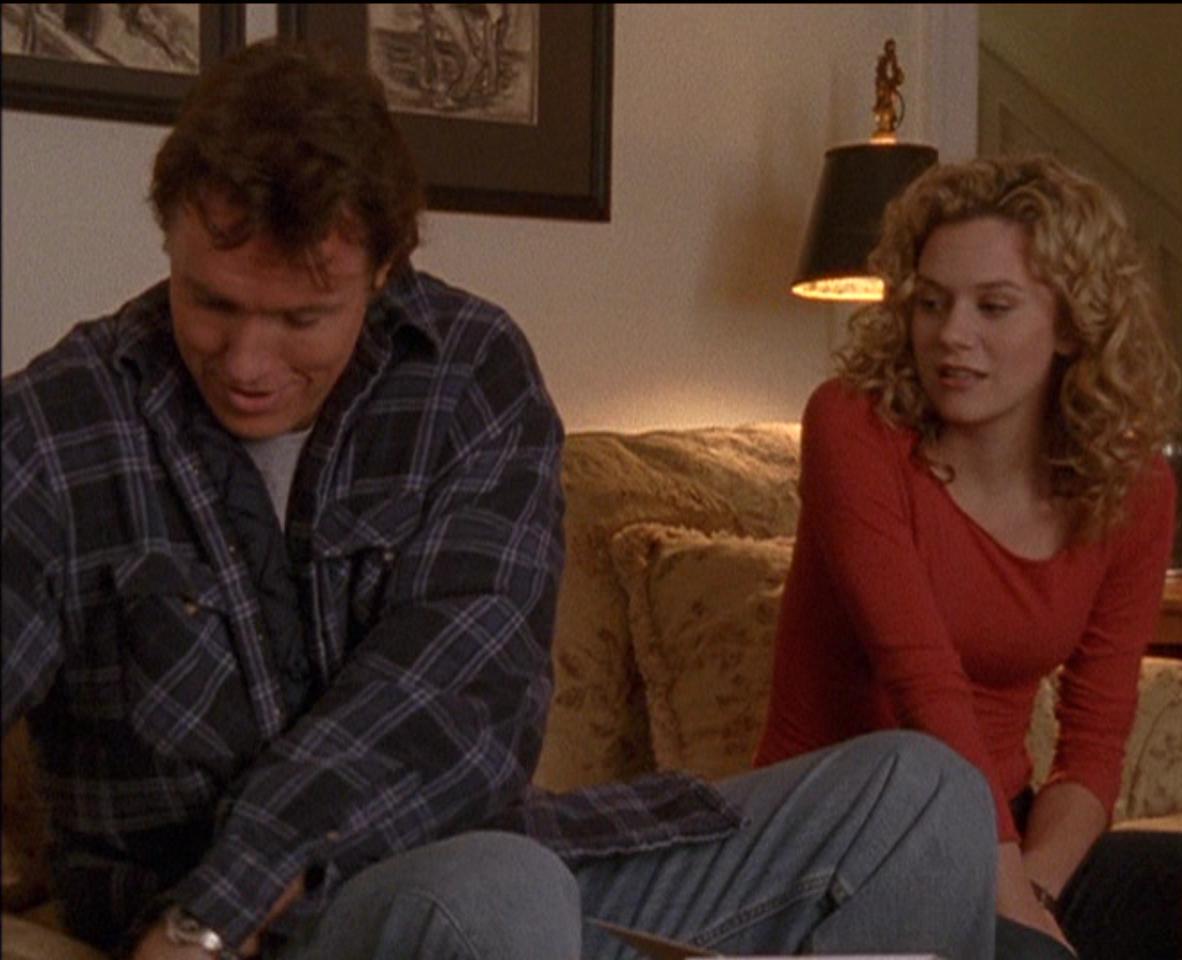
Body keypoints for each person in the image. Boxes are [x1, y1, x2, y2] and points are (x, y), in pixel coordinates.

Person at [2, 40, 999, 960]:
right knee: (496, 892)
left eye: (302, 318)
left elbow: (456, 703)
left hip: (415, 877)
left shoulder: (469, 372)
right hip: (249, 924)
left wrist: (225, 900)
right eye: (211, 302)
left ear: (383, 269)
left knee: (920, 797)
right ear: (171, 247)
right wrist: (202, 923)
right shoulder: (60, 423)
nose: (247, 363)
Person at [753, 154, 1182, 960]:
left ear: (1070, 324)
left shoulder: (1134, 490)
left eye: (993, 306)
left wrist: (1030, 897)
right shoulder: (852, 428)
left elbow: (1092, 749)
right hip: (838, 847)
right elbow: (926, 691)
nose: (951, 335)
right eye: (932, 302)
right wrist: (1009, 919)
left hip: (1009, 842)